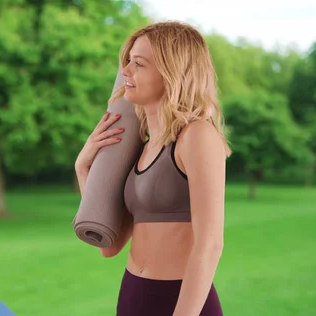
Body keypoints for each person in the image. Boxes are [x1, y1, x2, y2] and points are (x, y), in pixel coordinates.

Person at [75, 21, 231, 316]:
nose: (126, 72)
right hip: (134, 294)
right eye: (128, 62)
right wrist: (83, 168)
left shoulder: (197, 136)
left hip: (180, 300)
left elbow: (210, 245)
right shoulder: (143, 147)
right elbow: (109, 246)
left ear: (172, 72)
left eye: (139, 64)